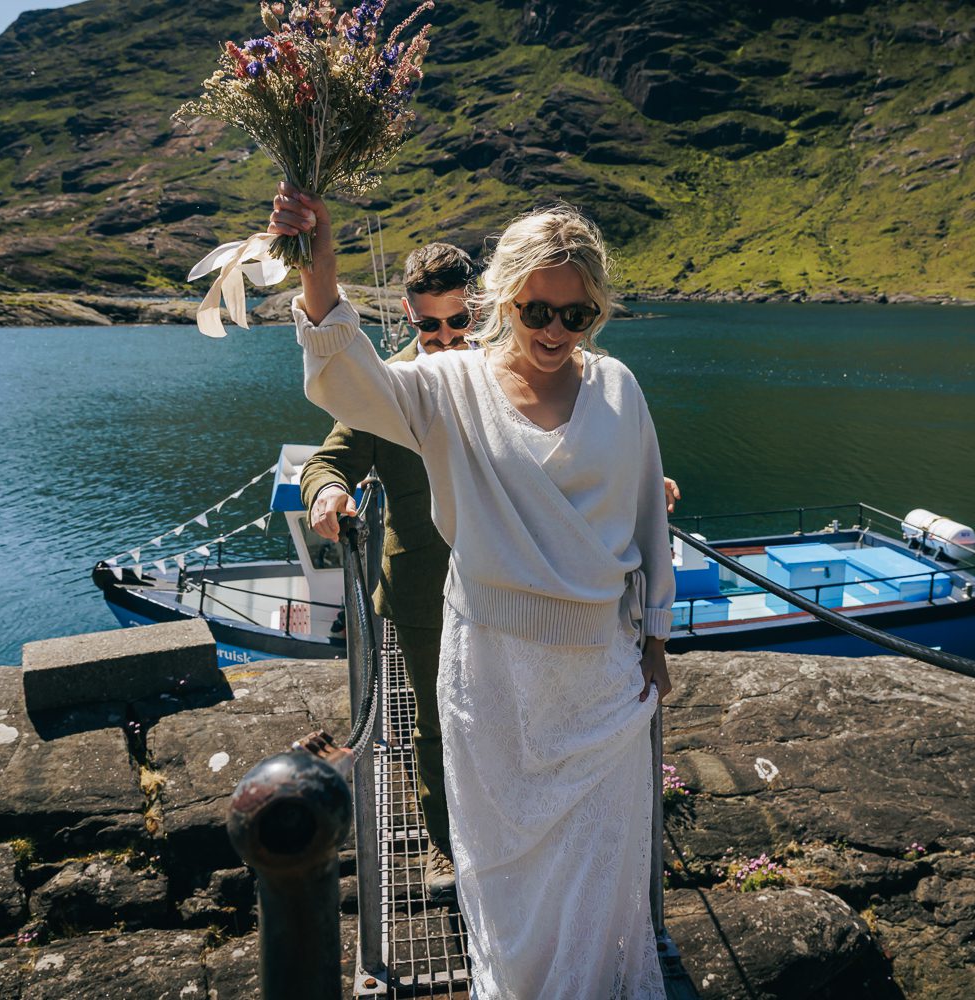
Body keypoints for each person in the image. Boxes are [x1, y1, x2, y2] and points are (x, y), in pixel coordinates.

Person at [270, 181, 674, 998]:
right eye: (536, 311)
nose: (556, 331)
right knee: (505, 864)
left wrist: (656, 642)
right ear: (503, 301)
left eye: (578, 315)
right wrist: (320, 266)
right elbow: (349, 385)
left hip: (599, 668)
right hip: (490, 664)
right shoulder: (450, 387)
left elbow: (645, 522)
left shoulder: (620, 389)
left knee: (598, 859)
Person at [299, 241, 476, 900]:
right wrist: (325, 494)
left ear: (476, 309)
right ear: (407, 315)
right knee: (434, 720)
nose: (445, 338)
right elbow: (329, 458)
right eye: (429, 325)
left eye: (457, 323)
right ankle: (441, 843)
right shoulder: (387, 384)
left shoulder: (505, 372)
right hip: (423, 589)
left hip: (506, 580)